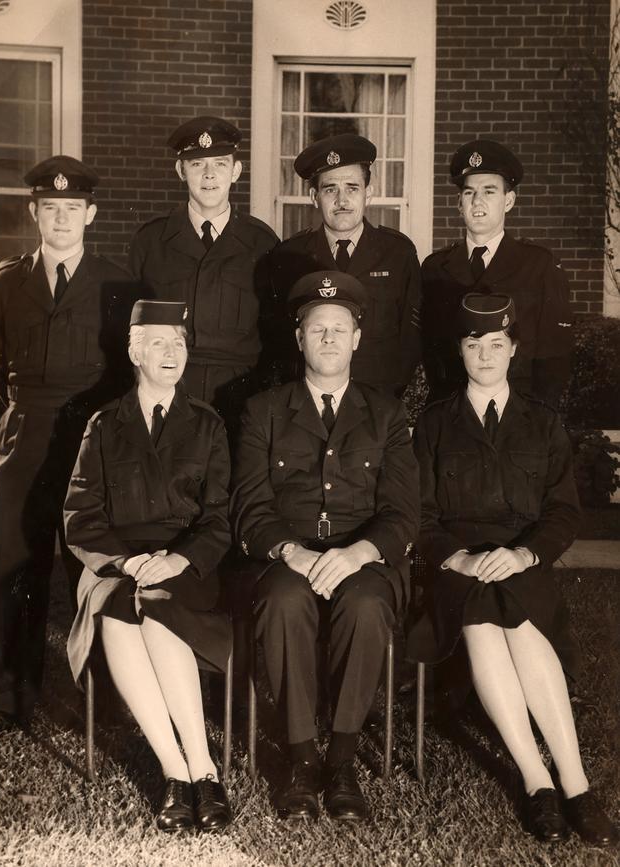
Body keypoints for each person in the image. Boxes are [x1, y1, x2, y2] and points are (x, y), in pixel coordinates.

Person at [407, 293, 617, 846]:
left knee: (521, 625)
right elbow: (419, 517)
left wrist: (525, 554)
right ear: (460, 350)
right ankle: (537, 778)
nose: (484, 355)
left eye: (495, 344)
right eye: (474, 344)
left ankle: (574, 782)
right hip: (460, 565)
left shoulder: (542, 424)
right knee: (481, 617)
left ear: (513, 349)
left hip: (522, 558)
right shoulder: (434, 424)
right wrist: (458, 556)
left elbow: (563, 511)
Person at [231, 271, 419, 822]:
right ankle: (301, 759)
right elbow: (249, 506)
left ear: (358, 338)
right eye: (318, 330)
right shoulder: (263, 410)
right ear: (299, 339)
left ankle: (341, 759)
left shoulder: (387, 413)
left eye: (340, 329)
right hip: (287, 556)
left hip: (364, 558)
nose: (330, 340)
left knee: (364, 603)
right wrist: (293, 552)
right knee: (286, 600)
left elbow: (403, 513)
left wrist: (358, 554)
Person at [0, 156, 135, 733]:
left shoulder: (117, 283)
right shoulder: (7, 280)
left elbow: (124, 368)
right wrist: (29, 408)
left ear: (90, 214)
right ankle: (14, 691)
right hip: (27, 435)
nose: (62, 219)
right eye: (51, 209)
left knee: (90, 564)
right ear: (34, 213)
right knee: (18, 562)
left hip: (89, 436)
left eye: (73, 209)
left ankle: (105, 691)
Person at [64, 299, 233, 833]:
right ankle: (178, 772)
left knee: (158, 604)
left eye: (179, 342)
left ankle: (203, 768)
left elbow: (221, 517)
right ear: (133, 351)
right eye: (158, 342)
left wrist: (179, 558)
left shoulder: (206, 425)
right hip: (116, 562)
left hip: (186, 565)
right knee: (118, 606)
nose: (171, 352)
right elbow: (80, 514)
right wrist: (126, 560)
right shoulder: (103, 424)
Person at [128, 116, 279, 432]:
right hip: (169, 393)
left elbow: (277, 339)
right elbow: (129, 331)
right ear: (181, 171)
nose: (209, 175)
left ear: (236, 171)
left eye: (220, 164)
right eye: (197, 165)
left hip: (243, 397)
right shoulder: (150, 242)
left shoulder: (263, 243)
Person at [421, 140, 574, 406]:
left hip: (520, 413)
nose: (477, 201)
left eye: (489, 192)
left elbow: (554, 356)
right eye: (469, 193)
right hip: (452, 415)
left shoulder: (538, 266)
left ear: (509, 200)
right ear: (459, 203)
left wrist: (536, 418)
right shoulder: (435, 268)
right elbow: (431, 353)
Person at [269, 133, 422, 397]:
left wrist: (390, 394)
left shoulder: (398, 253)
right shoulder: (289, 256)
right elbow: (280, 337)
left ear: (369, 194)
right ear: (315, 197)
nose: (342, 201)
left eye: (352, 188)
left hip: (378, 397)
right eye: (331, 190)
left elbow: (411, 336)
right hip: (310, 398)